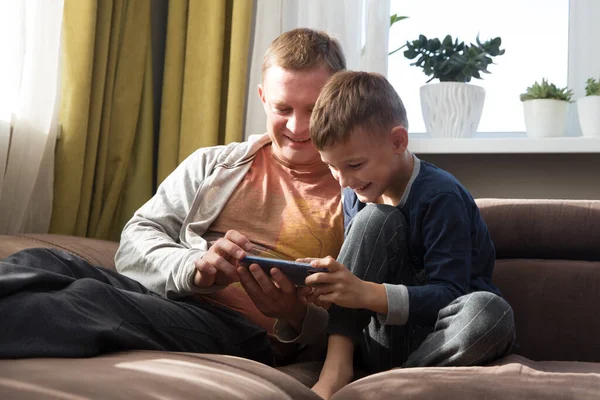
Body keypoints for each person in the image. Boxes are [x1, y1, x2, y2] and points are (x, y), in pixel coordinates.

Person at [0, 28, 345, 364]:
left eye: (313, 111)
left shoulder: (356, 196)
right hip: (170, 294)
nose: (297, 128)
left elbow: (354, 322)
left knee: (88, 302)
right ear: (263, 98)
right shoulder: (216, 164)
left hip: (243, 332)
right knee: (45, 261)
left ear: (337, 103)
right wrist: (193, 268)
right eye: (283, 109)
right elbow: (135, 240)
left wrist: (295, 314)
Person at [303, 71, 516, 399]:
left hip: (445, 340)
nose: (343, 181)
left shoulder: (440, 195)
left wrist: (366, 293)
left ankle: (397, 382)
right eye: (332, 167)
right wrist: (331, 286)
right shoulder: (356, 194)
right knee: (375, 218)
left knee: (492, 311)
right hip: (379, 342)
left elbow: (451, 293)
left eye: (355, 165)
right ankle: (337, 368)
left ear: (398, 141)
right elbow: (357, 282)